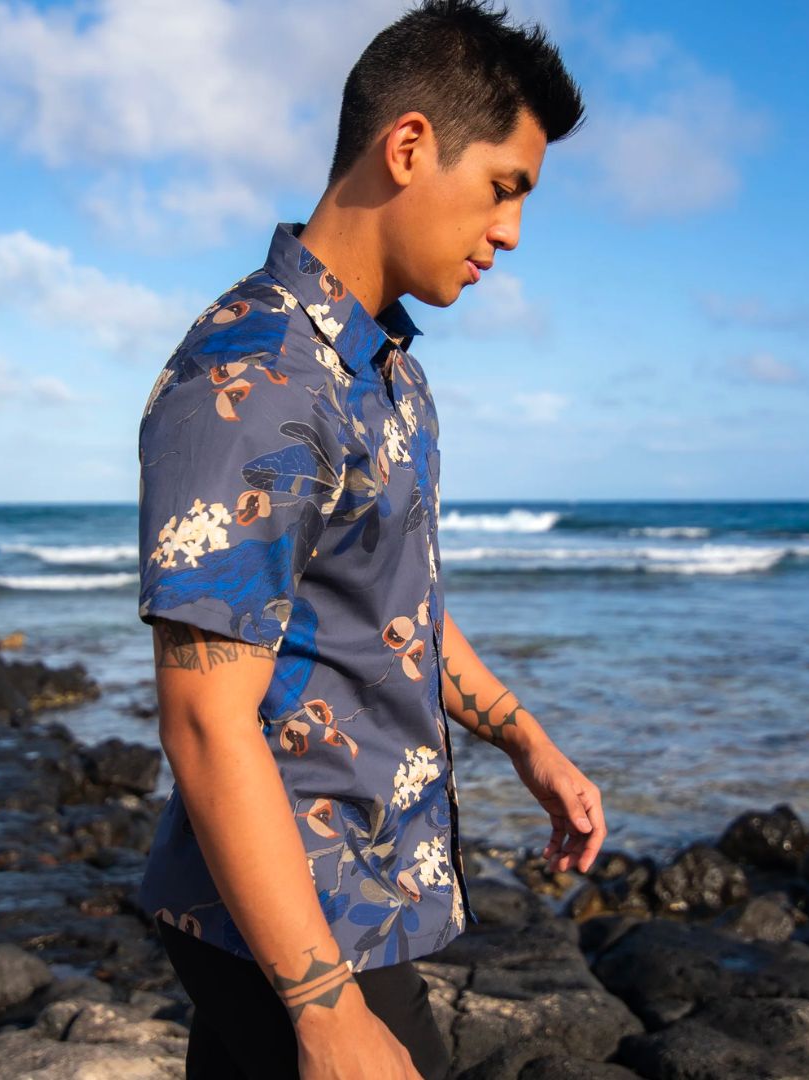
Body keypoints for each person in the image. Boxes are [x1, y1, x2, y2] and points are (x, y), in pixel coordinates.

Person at [135, 1, 606, 1076]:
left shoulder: (386, 372)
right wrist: (322, 1010)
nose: (512, 233)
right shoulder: (254, 381)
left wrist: (526, 740)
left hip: (347, 894)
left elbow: (393, 613)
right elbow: (205, 718)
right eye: (504, 188)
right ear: (408, 146)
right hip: (289, 915)